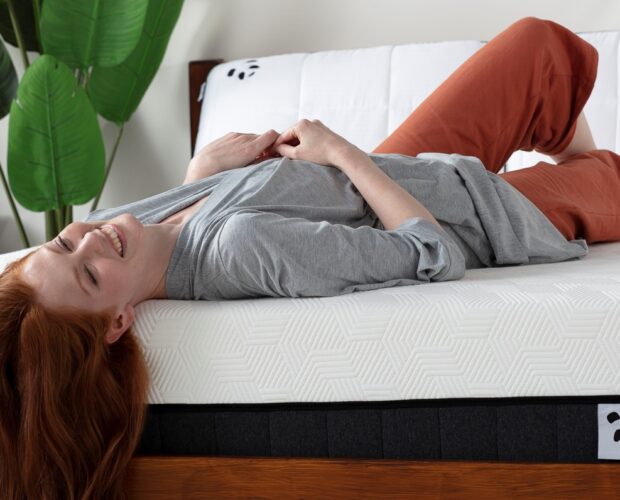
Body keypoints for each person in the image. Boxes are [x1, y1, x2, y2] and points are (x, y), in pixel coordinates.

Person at [1, 16, 618, 499]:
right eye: (87, 273)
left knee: (538, 50)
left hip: (403, 164)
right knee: (609, 177)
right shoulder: (244, 250)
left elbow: (179, 236)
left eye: (62, 241)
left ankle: (575, 163)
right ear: (116, 322)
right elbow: (432, 254)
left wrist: (203, 174)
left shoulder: (133, 225)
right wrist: (342, 152)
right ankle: (584, 181)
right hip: (477, 208)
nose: (89, 239)